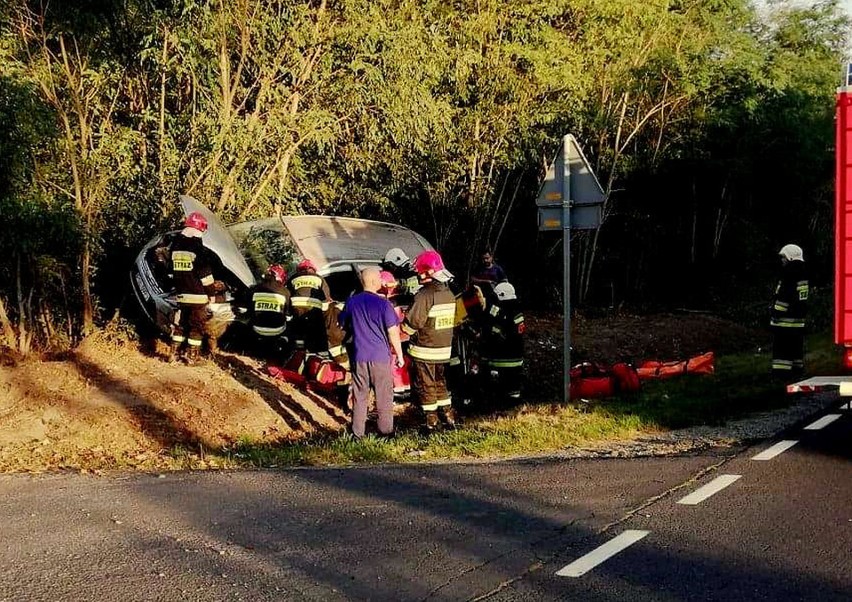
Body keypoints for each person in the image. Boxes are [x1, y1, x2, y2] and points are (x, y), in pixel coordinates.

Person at [338, 267, 405, 438]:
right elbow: (393, 331)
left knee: (360, 396)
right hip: (380, 358)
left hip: (360, 357)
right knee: (383, 396)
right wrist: (400, 355)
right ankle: (385, 432)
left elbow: (342, 324)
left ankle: (357, 433)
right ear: (375, 282)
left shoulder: (352, 302)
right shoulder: (384, 304)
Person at [402, 250, 457, 433]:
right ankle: (449, 416)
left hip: (424, 349)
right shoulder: (448, 293)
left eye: (419, 271)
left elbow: (412, 324)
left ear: (426, 272)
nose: (417, 275)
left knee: (426, 384)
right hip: (444, 349)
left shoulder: (424, 295)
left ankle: (430, 422)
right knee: (441, 383)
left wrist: (401, 329)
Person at [168, 211, 218, 365]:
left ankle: (173, 355)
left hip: (181, 295)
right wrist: (212, 293)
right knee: (196, 327)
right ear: (199, 229)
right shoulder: (198, 249)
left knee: (180, 325)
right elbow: (205, 276)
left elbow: (170, 271)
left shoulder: (175, 247)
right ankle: (192, 357)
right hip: (198, 296)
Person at [771, 244, 809, 376]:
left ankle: (781, 374)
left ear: (790, 257)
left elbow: (784, 296)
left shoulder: (789, 273)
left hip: (784, 322)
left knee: (782, 349)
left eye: (783, 257)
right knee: (796, 349)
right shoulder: (803, 272)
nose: (782, 260)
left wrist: (776, 313)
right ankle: (797, 371)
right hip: (798, 321)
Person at [483, 282, 525, 400]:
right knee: (513, 384)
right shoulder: (517, 311)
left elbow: (496, 332)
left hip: (503, 356)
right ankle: (513, 396)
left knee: (501, 385)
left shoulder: (503, 312)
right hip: (517, 356)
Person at [286, 259, 332, 353]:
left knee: (299, 333)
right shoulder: (319, 278)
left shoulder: (293, 278)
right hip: (313, 311)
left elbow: (286, 294)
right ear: (313, 269)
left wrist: (290, 311)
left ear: (299, 270)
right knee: (317, 335)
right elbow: (326, 299)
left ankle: (298, 354)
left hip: (297, 309)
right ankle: (316, 356)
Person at [248, 264, 289, 359]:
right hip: (277, 330)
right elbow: (287, 312)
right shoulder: (285, 291)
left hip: (257, 329)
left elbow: (249, 308)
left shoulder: (254, 289)